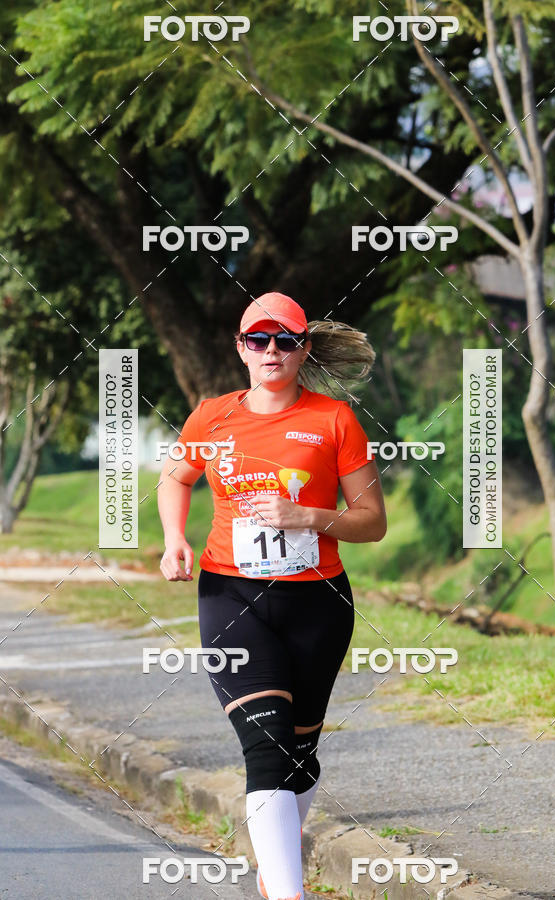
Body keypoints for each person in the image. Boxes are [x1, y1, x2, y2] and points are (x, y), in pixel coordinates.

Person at [157, 291, 387, 900]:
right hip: (231, 597)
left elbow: (371, 521)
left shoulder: (334, 420)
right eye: (258, 340)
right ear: (241, 348)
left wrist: (308, 515)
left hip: (317, 602)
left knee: (300, 753)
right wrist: (174, 538)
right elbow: (175, 477)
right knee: (265, 746)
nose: (271, 351)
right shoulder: (211, 417)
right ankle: (289, 892)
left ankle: (274, 864)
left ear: (303, 348)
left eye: (285, 340)